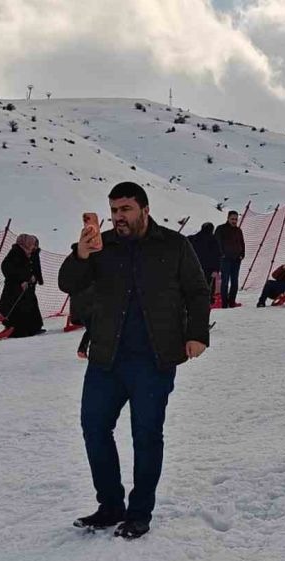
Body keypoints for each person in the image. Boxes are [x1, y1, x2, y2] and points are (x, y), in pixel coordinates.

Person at [58, 181, 211, 539]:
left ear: (145, 209)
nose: (118, 217)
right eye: (113, 211)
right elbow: (68, 284)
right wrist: (81, 254)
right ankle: (110, 505)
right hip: (106, 359)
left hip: (154, 360)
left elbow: (197, 291)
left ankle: (140, 512)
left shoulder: (174, 245)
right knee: (94, 428)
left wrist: (197, 334)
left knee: (146, 436)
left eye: (125, 209)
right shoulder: (100, 246)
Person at [0, 233, 45, 338]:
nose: (33, 247)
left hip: (27, 287)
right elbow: (8, 269)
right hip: (14, 288)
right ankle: (17, 331)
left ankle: (33, 328)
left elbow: (32, 267)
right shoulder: (16, 253)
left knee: (29, 306)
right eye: (32, 244)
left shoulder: (29, 253)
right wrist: (23, 279)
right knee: (17, 308)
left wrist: (34, 277)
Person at [214, 210, 245, 308]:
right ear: (228, 218)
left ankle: (232, 302)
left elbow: (242, 243)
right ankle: (224, 302)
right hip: (225, 259)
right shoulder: (221, 229)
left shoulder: (238, 230)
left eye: (236, 219)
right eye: (232, 219)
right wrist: (221, 254)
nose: (234, 221)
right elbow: (217, 242)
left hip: (236, 259)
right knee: (225, 280)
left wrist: (242, 254)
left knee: (235, 281)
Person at [188, 222, 222, 295]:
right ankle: (206, 299)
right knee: (207, 285)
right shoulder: (214, 240)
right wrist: (216, 269)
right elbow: (217, 255)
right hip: (209, 269)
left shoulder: (193, 238)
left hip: (194, 266)